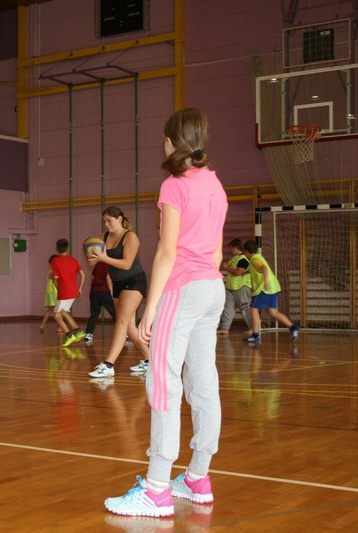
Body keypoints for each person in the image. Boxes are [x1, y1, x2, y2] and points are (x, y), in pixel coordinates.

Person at [103, 108, 227, 518]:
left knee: (163, 382)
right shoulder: (215, 184)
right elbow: (216, 251)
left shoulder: (175, 185)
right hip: (212, 287)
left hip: (183, 288)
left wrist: (151, 308)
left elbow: (168, 251)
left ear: (172, 141)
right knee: (203, 379)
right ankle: (197, 478)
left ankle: (156, 488)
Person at [86, 206, 150, 378]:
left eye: (109, 221)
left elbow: (127, 264)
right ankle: (150, 359)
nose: (106, 224)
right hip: (117, 284)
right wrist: (89, 251)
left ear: (120, 219)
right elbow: (92, 263)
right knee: (129, 327)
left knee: (121, 321)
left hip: (135, 282)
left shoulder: (130, 237)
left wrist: (104, 258)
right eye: (104, 221)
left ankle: (108, 365)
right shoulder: (103, 237)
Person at [241, 240, 299, 344]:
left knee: (253, 309)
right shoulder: (258, 257)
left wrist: (266, 283)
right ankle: (293, 327)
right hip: (273, 287)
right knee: (272, 312)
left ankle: (255, 335)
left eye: (244, 252)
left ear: (246, 251)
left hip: (264, 288)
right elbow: (257, 269)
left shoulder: (254, 259)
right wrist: (246, 272)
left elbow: (264, 268)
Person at [50, 238, 87, 347]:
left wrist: (59, 289)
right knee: (64, 312)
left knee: (56, 315)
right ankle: (78, 331)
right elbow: (83, 275)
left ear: (57, 249)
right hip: (73, 291)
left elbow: (55, 279)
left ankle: (69, 335)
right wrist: (80, 288)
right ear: (68, 249)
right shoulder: (73, 260)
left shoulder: (55, 261)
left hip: (64, 292)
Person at [217, 239, 253, 336]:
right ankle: (224, 328)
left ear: (235, 247)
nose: (230, 250)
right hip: (231, 287)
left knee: (245, 308)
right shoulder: (234, 259)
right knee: (228, 309)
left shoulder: (243, 259)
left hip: (241, 287)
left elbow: (239, 272)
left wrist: (227, 268)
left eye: (231, 248)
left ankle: (252, 328)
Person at [84, 253, 116, 343]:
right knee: (115, 312)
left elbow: (92, 277)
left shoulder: (99, 263)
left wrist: (94, 287)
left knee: (94, 314)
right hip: (105, 291)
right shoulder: (111, 264)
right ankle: (123, 333)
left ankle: (89, 334)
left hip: (94, 292)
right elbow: (108, 277)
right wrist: (112, 292)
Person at [39, 255, 58, 332]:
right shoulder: (54, 270)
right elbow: (55, 281)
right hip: (54, 291)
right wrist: (60, 289)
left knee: (50, 309)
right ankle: (60, 327)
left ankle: (42, 325)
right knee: (59, 310)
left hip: (50, 292)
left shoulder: (50, 270)